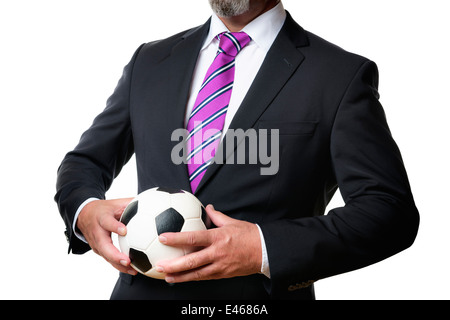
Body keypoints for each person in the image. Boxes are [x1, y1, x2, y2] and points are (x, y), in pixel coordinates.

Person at [55, 0, 420, 300]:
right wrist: (85, 211)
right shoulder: (149, 61)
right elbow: (84, 162)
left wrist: (263, 248)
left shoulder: (339, 75)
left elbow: (389, 212)